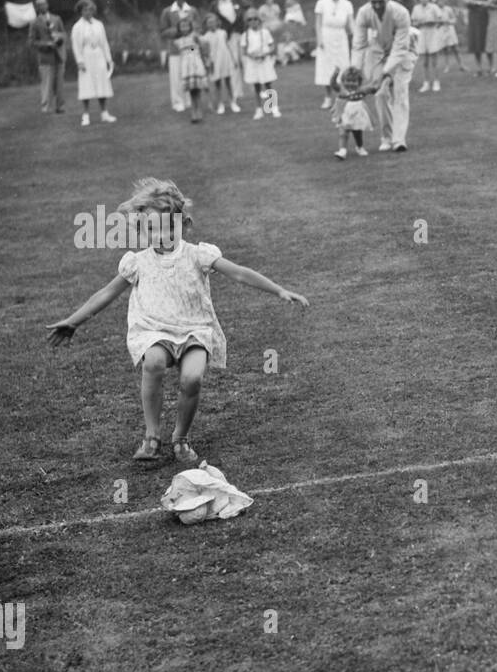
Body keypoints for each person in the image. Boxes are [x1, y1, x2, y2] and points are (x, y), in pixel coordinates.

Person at [46, 178, 309, 463]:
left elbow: (240, 273)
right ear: (142, 230)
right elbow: (106, 293)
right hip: (153, 330)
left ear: (183, 224)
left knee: (192, 378)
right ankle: (151, 436)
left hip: (195, 329)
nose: (161, 235)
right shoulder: (137, 262)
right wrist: (73, 321)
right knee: (154, 363)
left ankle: (181, 438)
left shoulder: (198, 255)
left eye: (169, 227)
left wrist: (279, 290)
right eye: (152, 229)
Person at [351, 0, 413, 152]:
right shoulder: (364, 13)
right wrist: (355, 69)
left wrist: (386, 73)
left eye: (381, 2)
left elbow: (400, 47)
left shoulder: (400, 12)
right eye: (374, 2)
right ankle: (386, 136)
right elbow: (358, 44)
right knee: (380, 94)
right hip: (378, 52)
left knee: (400, 94)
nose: (377, 5)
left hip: (403, 53)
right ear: (368, 0)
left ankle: (399, 140)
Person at [70, 0, 116, 127]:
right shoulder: (77, 27)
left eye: (90, 9)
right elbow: (76, 46)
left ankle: (104, 113)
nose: (88, 12)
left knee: (102, 84)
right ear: (80, 11)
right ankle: (85, 115)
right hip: (86, 58)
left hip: (99, 57)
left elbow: (104, 43)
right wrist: (80, 61)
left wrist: (109, 59)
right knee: (86, 85)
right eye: (85, 9)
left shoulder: (99, 24)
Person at [314, 0, 354, 109]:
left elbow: (350, 24)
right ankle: (327, 97)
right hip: (327, 36)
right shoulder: (321, 3)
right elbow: (318, 23)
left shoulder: (347, 4)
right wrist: (319, 39)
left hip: (341, 36)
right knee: (327, 67)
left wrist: (355, 37)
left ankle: (344, 94)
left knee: (343, 66)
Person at [209, 0, 249, 108]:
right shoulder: (214, 5)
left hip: (242, 34)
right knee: (234, 65)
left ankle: (261, 89)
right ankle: (236, 94)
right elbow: (210, 21)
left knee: (248, 62)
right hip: (228, 37)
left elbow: (250, 8)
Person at [159, 0, 198, 112]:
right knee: (176, 77)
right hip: (175, 49)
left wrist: (192, 32)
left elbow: (198, 28)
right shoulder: (167, 11)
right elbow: (163, 31)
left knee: (189, 74)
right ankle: (178, 102)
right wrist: (178, 30)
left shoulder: (192, 10)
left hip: (190, 49)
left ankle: (189, 100)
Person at [331, 65, 379, 159]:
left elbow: (373, 89)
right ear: (343, 81)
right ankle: (342, 150)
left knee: (357, 133)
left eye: (354, 81)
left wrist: (377, 84)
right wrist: (335, 75)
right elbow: (333, 85)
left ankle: (359, 147)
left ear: (359, 82)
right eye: (347, 81)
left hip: (358, 115)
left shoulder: (362, 90)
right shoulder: (342, 90)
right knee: (343, 132)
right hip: (344, 114)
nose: (350, 84)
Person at [30, 0, 67, 114]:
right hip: (45, 56)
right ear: (37, 7)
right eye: (39, 5)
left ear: (47, 4)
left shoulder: (57, 19)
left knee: (60, 83)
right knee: (46, 83)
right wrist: (46, 44)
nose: (42, 6)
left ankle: (60, 106)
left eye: (44, 4)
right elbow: (32, 41)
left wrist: (58, 37)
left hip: (59, 55)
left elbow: (64, 34)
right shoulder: (35, 22)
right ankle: (46, 107)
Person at [241, 8, 280, 118]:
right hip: (253, 63)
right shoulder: (246, 35)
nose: (253, 22)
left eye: (255, 19)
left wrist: (266, 53)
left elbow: (272, 46)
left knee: (268, 85)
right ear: (247, 22)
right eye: (250, 19)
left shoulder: (265, 32)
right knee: (256, 86)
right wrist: (252, 55)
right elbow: (244, 50)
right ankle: (259, 109)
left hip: (264, 61)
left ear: (259, 20)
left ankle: (273, 107)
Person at [172, 16, 207, 123]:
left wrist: (194, 46)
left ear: (190, 27)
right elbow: (183, 50)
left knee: (198, 89)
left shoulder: (195, 37)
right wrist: (191, 48)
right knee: (192, 91)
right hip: (186, 66)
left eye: (186, 26)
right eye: (182, 26)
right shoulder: (177, 41)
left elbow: (199, 46)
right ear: (179, 28)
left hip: (195, 64)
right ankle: (194, 112)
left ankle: (199, 111)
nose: (184, 28)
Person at [201, 13, 235, 114]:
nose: (211, 24)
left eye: (213, 22)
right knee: (218, 83)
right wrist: (208, 63)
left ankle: (232, 102)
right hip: (214, 62)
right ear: (206, 25)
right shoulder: (205, 37)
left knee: (228, 82)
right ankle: (220, 104)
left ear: (217, 23)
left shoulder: (223, 32)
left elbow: (227, 46)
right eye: (209, 23)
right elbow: (203, 51)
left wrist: (233, 59)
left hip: (225, 59)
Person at [412, 0, 444, 91]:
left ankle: (436, 81)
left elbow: (440, 20)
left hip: (433, 33)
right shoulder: (416, 8)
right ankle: (426, 82)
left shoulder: (434, 7)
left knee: (434, 59)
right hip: (422, 34)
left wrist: (434, 23)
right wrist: (420, 23)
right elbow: (414, 22)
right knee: (424, 60)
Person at [463, 0, 490, 75]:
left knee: (486, 42)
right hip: (473, 17)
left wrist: (479, 3)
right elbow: (466, 1)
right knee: (475, 43)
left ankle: (490, 66)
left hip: (484, 16)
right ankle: (479, 68)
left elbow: (490, 1)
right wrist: (468, 3)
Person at [433, 0, 465, 72]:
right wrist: (438, 24)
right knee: (445, 49)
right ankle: (447, 66)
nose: (441, 2)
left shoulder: (448, 9)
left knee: (456, 48)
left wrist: (449, 21)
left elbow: (454, 19)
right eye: (439, 1)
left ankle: (461, 64)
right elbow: (435, 22)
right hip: (442, 31)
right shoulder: (435, 10)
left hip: (450, 30)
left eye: (442, 0)